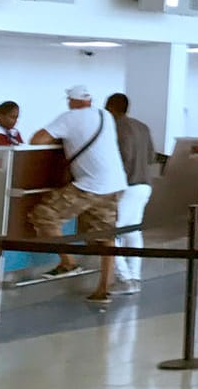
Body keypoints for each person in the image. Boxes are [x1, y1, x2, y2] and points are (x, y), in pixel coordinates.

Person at [25, 84, 125, 279]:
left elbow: (36, 140)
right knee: (106, 237)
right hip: (115, 184)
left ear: (72, 101)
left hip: (90, 185)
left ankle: (68, 262)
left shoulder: (69, 117)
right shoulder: (106, 115)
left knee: (45, 215)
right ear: (90, 100)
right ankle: (104, 290)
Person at [91, 93, 157, 303]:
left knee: (109, 233)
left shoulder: (115, 127)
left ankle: (125, 278)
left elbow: (124, 157)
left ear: (110, 107)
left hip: (126, 186)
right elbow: (151, 157)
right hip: (144, 184)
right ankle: (134, 277)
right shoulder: (142, 126)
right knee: (132, 231)